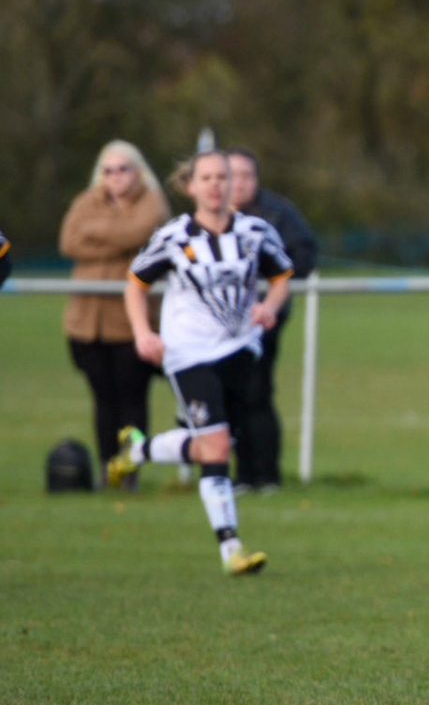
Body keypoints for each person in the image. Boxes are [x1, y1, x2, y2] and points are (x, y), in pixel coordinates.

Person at [106, 150, 294, 575]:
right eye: (206, 177)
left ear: (231, 185)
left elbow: (282, 276)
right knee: (218, 445)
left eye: (222, 177)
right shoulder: (174, 237)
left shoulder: (254, 232)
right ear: (190, 187)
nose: (215, 185)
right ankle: (232, 549)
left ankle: (139, 449)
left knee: (216, 443)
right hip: (187, 352)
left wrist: (270, 305)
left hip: (241, 348)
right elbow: (135, 284)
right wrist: (143, 333)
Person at [59, 141, 170, 488]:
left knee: (132, 399)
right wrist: (117, 238)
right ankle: (108, 468)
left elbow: (139, 233)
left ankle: (131, 468)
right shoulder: (86, 200)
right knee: (103, 399)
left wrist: (96, 232)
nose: (115, 177)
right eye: (108, 170)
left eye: (123, 169)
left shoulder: (152, 202)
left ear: (138, 171)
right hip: (88, 323)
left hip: (131, 325)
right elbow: (68, 242)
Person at [226, 149, 319, 493]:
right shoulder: (208, 217)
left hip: (264, 318)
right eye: (231, 175)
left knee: (257, 392)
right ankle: (241, 475)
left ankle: (266, 475)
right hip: (220, 321)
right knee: (231, 395)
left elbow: (304, 255)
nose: (239, 183)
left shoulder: (278, 215)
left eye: (247, 175)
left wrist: (268, 281)